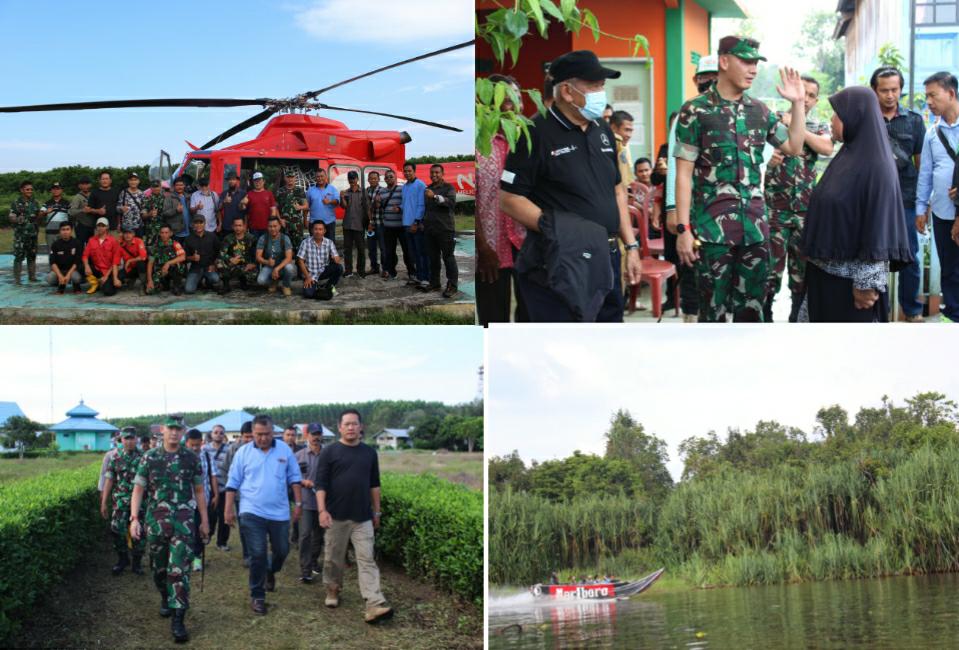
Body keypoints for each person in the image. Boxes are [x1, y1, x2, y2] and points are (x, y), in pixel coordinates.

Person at [499, 50, 642, 322]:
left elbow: (617, 191)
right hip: (562, 260)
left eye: (603, 85)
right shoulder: (535, 132)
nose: (602, 92)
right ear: (566, 91)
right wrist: (560, 231)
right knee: (563, 344)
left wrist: (631, 247)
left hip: (607, 255)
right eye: (595, 86)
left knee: (608, 339)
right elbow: (508, 199)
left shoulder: (602, 130)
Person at [674, 36, 808, 322]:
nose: (753, 69)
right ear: (724, 61)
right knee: (714, 314)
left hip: (756, 231)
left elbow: (794, 147)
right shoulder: (695, 110)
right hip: (712, 234)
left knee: (752, 313)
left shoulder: (759, 111)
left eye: (755, 63)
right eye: (746, 61)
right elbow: (684, 174)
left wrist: (797, 104)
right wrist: (684, 229)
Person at [801, 86, 913, 322]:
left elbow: (879, 224)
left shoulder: (876, 165)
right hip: (826, 278)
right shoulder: (850, 155)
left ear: (856, 116)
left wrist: (867, 283)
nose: (832, 120)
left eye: (837, 114)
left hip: (853, 289)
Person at [130, 416, 208, 643]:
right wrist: (134, 518)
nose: (174, 432)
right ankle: (165, 597)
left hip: (183, 523)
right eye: (170, 428)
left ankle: (178, 618)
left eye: (178, 428)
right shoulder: (149, 457)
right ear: (162, 430)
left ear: (183, 431)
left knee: (180, 570)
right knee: (160, 569)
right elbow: (138, 490)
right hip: (156, 522)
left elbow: (200, 491)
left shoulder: (191, 458)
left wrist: (204, 520)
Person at [763, 75, 834, 322]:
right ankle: (765, 316)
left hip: (805, 211)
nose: (805, 98)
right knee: (769, 270)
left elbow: (826, 148)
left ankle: (797, 318)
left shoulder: (818, 126)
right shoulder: (772, 121)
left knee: (802, 272)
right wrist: (768, 159)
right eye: (801, 92)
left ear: (815, 100)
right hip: (774, 210)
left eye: (811, 95)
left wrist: (795, 124)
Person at [316, 409, 392, 623]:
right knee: (333, 559)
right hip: (336, 517)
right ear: (340, 427)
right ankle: (333, 590)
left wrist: (376, 511)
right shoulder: (329, 452)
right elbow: (320, 485)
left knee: (367, 559)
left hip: (362, 518)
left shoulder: (369, 453)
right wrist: (322, 510)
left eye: (354, 424)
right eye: (346, 424)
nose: (351, 427)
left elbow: (374, 485)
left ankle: (374, 603)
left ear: (361, 427)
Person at [224, 414, 303, 616]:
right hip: (252, 511)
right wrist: (228, 509)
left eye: (267, 434)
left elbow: (295, 478)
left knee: (282, 551)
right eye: (258, 434)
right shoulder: (243, 453)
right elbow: (232, 483)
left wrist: (299, 504)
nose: (262, 438)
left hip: (279, 513)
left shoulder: (285, 450)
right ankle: (257, 595)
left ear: (273, 432)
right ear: (252, 433)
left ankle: (271, 570)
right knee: (257, 554)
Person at [871, 66, 928, 322]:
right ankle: (877, 309)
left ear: (901, 89)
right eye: (884, 90)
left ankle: (911, 311)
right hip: (874, 200)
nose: (890, 95)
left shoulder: (914, 121)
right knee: (875, 255)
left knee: (910, 257)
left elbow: (921, 165)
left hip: (906, 198)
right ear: (875, 90)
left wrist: (921, 205)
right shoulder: (867, 118)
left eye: (895, 89)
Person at [664, 57, 719, 321]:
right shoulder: (688, 113)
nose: (709, 82)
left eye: (714, 76)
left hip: (726, 212)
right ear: (696, 80)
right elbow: (677, 168)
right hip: (693, 208)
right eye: (704, 77)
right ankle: (692, 323)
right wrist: (673, 207)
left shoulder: (741, 113)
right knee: (691, 269)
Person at [476, 74, 528, 325]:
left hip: (528, 246)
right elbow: (468, 202)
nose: (513, 106)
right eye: (505, 100)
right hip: (490, 251)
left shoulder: (528, 141)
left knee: (531, 317)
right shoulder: (477, 145)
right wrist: (482, 248)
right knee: (493, 320)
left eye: (517, 99)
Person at [916, 71, 959, 323]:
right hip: (943, 211)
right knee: (950, 268)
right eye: (926, 97)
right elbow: (926, 174)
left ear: (951, 93)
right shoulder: (932, 133)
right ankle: (953, 317)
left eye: (933, 95)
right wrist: (921, 208)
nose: (928, 102)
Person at [100, 427, 145, 576]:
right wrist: (103, 502)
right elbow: (109, 480)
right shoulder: (115, 457)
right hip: (119, 503)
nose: (129, 441)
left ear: (136, 439)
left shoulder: (144, 458)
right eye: (126, 438)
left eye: (132, 438)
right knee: (116, 531)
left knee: (139, 534)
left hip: (140, 504)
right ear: (121, 440)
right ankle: (123, 559)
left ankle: (137, 563)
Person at [422, 164, 459, 297]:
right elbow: (426, 208)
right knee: (433, 258)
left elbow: (451, 203)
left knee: (448, 258)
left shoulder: (449, 188)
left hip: (445, 229)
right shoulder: (428, 188)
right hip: (430, 230)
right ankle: (435, 283)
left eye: (437, 172)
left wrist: (435, 197)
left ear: (442, 174)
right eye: (432, 173)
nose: (434, 175)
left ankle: (452, 286)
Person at [185, 429, 218, 573]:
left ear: (201, 443)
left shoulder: (207, 456)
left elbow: (213, 475)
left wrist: (216, 494)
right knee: (186, 530)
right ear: (186, 443)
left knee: (201, 529)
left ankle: (197, 556)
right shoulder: (180, 457)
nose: (194, 448)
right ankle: (185, 556)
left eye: (197, 445)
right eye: (192, 445)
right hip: (184, 501)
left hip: (202, 500)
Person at [223, 421, 255, 566]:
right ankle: (248, 555)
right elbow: (225, 470)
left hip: (257, 496)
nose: (249, 440)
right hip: (240, 497)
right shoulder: (233, 449)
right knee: (244, 526)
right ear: (241, 436)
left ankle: (257, 552)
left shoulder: (262, 450)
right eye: (246, 437)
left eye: (251, 437)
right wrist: (231, 489)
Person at [295, 425, 324, 583]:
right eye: (313, 434)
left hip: (323, 503)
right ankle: (305, 570)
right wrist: (302, 481)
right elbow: (291, 476)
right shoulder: (298, 455)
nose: (315, 437)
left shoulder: (328, 454)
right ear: (307, 435)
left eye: (318, 434)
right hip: (306, 500)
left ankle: (313, 561)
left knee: (319, 536)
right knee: (305, 535)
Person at [377, 168, 412, 280]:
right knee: (390, 252)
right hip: (388, 227)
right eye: (386, 177)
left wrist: (400, 208)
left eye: (391, 176)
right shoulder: (381, 191)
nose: (388, 179)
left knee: (407, 251)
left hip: (402, 226)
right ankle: (392, 272)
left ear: (396, 177)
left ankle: (412, 272)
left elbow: (407, 203)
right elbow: (379, 207)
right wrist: (377, 202)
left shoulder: (402, 189)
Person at [8, 180, 44, 284]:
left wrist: (42, 214)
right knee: (19, 256)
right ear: (22, 190)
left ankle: (32, 277)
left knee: (32, 255)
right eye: (27, 189)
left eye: (31, 189)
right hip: (21, 235)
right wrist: (16, 218)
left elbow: (38, 217)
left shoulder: (35, 202)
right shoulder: (16, 202)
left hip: (33, 234)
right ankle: (17, 280)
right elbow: (11, 216)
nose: (30, 191)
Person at [296, 220, 344, 299]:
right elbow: (300, 261)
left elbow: (337, 259)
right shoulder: (305, 242)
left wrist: (336, 258)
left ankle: (327, 286)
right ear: (312, 230)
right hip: (310, 274)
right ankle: (319, 289)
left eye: (320, 229)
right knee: (308, 294)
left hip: (323, 271)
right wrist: (307, 277)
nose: (318, 232)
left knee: (339, 268)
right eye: (316, 229)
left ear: (324, 231)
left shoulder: (329, 242)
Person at [202, 424, 231, 552]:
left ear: (224, 435)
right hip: (209, 489)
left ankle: (222, 542)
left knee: (225, 517)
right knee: (210, 515)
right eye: (216, 432)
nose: (218, 434)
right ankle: (207, 535)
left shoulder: (229, 449)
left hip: (225, 488)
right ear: (211, 434)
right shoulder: (204, 449)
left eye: (221, 432)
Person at [401, 162, 429, 287]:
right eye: (405, 171)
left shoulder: (420, 185)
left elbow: (421, 205)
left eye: (409, 171)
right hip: (406, 224)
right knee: (413, 253)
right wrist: (399, 208)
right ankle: (418, 276)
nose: (407, 173)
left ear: (414, 171)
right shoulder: (405, 186)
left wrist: (416, 222)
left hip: (415, 225)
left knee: (421, 252)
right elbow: (406, 203)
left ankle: (425, 278)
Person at [256, 217, 296, 295]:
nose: (272, 228)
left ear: (279, 226)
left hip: (283, 265)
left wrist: (277, 268)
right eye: (270, 226)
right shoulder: (263, 238)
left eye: (275, 226)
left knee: (290, 268)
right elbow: (258, 257)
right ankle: (273, 281)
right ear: (267, 227)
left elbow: (289, 258)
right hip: (269, 265)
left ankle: (286, 285)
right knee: (261, 280)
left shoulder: (285, 238)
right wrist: (266, 262)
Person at [183, 215, 223, 294]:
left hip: (209, 267)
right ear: (193, 225)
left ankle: (207, 281)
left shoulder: (212, 236)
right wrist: (192, 258)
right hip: (195, 268)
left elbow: (219, 251)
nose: (198, 225)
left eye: (201, 222)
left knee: (215, 279)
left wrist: (214, 264)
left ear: (205, 223)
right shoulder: (188, 239)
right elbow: (185, 257)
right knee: (189, 290)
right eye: (196, 223)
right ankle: (199, 280)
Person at [218, 216, 258, 293]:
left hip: (245, 265)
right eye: (236, 225)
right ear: (232, 227)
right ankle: (226, 285)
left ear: (244, 226)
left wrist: (253, 263)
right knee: (219, 262)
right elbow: (221, 253)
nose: (238, 228)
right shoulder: (228, 238)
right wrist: (230, 259)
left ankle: (243, 281)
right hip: (232, 264)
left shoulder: (251, 238)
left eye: (240, 225)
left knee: (254, 274)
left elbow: (257, 253)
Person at [82, 217, 121, 296]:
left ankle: (108, 282)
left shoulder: (113, 241)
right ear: (96, 227)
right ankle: (95, 283)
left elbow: (115, 262)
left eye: (103, 226)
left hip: (109, 271)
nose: (100, 228)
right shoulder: (91, 240)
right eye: (98, 226)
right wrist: (86, 266)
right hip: (97, 269)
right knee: (81, 266)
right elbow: (85, 255)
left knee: (108, 292)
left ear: (107, 227)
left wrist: (106, 276)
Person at [340, 170, 369, 278]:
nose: (352, 180)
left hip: (359, 225)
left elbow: (367, 208)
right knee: (347, 250)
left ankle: (361, 271)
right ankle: (348, 271)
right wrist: (342, 197)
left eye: (354, 178)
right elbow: (344, 206)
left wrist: (369, 223)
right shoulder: (346, 192)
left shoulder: (364, 192)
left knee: (361, 249)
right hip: (347, 225)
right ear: (348, 180)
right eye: (350, 178)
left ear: (357, 179)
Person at [145, 224, 186, 296]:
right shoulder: (155, 247)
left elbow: (183, 257)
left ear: (171, 233)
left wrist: (168, 263)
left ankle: (177, 285)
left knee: (178, 266)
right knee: (150, 291)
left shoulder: (175, 244)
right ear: (159, 233)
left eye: (166, 232)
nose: (164, 235)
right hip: (162, 271)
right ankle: (164, 284)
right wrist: (150, 280)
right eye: (162, 233)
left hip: (174, 270)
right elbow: (150, 264)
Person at [276, 169, 308, 255]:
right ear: (285, 178)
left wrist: (300, 207)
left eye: (292, 177)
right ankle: (285, 267)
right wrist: (279, 220)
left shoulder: (300, 190)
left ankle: (299, 267)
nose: (290, 179)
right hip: (284, 225)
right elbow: (275, 208)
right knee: (284, 249)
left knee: (298, 249)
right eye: (288, 177)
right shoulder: (280, 191)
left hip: (297, 225)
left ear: (295, 178)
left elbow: (306, 206)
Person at [47, 221, 83, 294]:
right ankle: (60, 283)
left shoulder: (77, 243)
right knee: (50, 278)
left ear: (71, 231)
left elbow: (77, 261)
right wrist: (60, 275)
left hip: (73, 270)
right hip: (60, 270)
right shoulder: (55, 244)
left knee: (77, 278)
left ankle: (76, 286)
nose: (65, 232)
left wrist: (68, 275)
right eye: (63, 229)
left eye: (67, 229)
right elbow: (52, 262)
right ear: (60, 231)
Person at [241, 171, 278, 241]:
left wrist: (272, 225)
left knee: (266, 248)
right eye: (255, 181)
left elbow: (273, 210)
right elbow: (244, 210)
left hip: (267, 228)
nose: (257, 183)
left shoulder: (269, 194)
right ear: (253, 182)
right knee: (254, 247)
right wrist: (242, 203)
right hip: (253, 228)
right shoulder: (249, 194)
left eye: (259, 180)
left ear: (264, 181)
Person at [306, 168, 339, 243]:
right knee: (313, 246)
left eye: (322, 176)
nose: (320, 178)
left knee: (330, 246)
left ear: (326, 177)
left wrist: (330, 201)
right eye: (318, 176)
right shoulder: (310, 190)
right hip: (314, 224)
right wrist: (305, 220)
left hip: (329, 223)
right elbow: (307, 206)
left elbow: (337, 202)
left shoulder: (332, 189)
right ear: (315, 178)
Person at [365, 170, 386, 276]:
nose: (373, 180)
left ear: (378, 179)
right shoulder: (367, 190)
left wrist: (378, 203)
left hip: (381, 224)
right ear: (368, 180)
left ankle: (385, 269)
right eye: (371, 178)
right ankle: (374, 267)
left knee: (383, 247)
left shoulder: (383, 191)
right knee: (371, 247)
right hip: (370, 225)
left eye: (375, 178)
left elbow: (384, 206)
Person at [117, 227, 149, 292]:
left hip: (140, 267)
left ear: (134, 234)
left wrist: (130, 260)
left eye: (130, 233)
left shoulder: (139, 241)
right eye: (125, 233)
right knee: (118, 276)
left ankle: (143, 284)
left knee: (141, 263)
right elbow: (116, 260)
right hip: (130, 268)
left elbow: (143, 257)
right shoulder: (121, 244)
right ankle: (131, 279)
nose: (127, 235)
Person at [610, 111, 636, 187]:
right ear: (613, 128)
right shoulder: (615, 146)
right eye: (626, 130)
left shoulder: (622, 147)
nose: (629, 135)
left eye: (631, 131)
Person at [162, 178, 192, 243]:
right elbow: (165, 213)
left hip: (188, 230)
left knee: (186, 251)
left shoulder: (188, 196)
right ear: (174, 186)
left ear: (184, 186)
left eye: (181, 185)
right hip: (176, 232)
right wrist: (176, 210)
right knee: (177, 251)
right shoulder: (169, 197)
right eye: (177, 185)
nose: (179, 187)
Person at [69, 176, 95, 251]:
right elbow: (71, 211)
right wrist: (82, 210)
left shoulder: (93, 195)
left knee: (91, 246)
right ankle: (80, 262)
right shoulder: (77, 197)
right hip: (81, 226)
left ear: (90, 185)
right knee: (80, 246)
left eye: (87, 184)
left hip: (92, 226)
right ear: (79, 186)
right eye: (83, 184)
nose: (85, 186)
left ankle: (90, 262)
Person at [117, 172, 146, 236]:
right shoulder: (123, 193)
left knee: (138, 244)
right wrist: (121, 208)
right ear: (128, 181)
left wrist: (145, 213)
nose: (133, 182)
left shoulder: (142, 194)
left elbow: (144, 208)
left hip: (138, 226)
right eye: (131, 180)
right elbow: (117, 208)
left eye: (135, 180)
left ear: (138, 181)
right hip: (126, 226)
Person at [143, 179, 167, 250]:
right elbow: (143, 216)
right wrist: (149, 214)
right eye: (154, 186)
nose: (156, 188)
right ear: (151, 188)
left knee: (163, 248)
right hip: (150, 230)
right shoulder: (146, 199)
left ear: (161, 187)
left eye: (157, 186)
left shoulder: (165, 198)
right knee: (150, 249)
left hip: (163, 229)